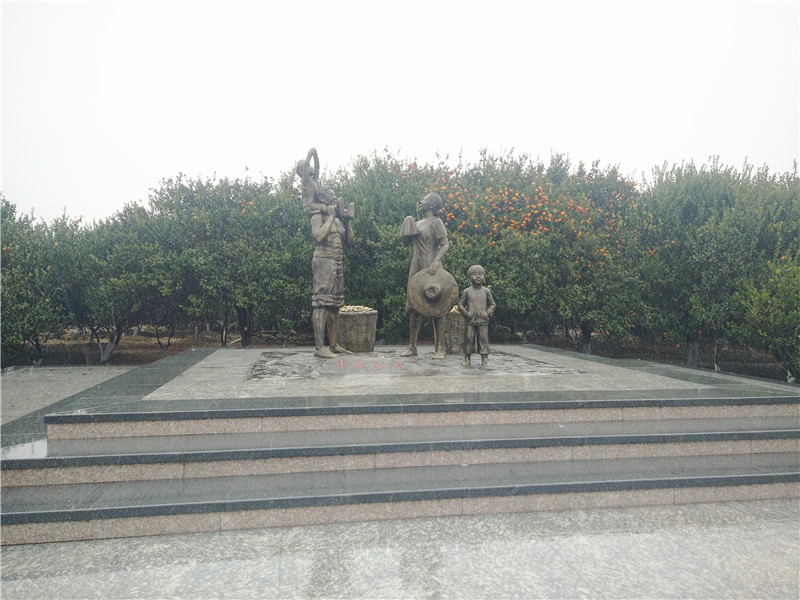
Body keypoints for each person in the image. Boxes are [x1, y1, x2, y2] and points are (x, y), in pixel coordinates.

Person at [400, 192, 450, 359]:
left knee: (438, 307)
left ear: (432, 205)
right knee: (413, 307)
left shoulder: (437, 222)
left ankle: (440, 348)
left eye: (424, 200)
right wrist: (407, 228)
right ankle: (412, 346)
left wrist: (436, 261)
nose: (421, 202)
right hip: (416, 267)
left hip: (431, 268)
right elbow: (406, 243)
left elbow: (445, 244)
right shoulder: (416, 223)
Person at [310, 186, 354, 358]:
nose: (335, 199)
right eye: (332, 196)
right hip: (323, 260)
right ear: (322, 199)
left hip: (337, 261)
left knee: (335, 304)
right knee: (321, 303)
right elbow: (319, 237)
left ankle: (334, 345)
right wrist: (330, 216)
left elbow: (349, 243)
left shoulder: (337, 222)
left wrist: (347, 222)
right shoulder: (317, 217)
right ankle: (319, 347)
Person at [458, 264, 496, 366]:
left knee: (483, 339)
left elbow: (492, 304)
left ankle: (484, 359)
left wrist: (487, 313)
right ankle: (467, 358)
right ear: (469, 277)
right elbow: (460, 304)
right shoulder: (467, 291)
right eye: (474, 274)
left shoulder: (486, 291)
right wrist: (466, 313)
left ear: (484, 277)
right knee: (468, 339)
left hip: (483, 321)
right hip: (470, 321)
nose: (478, 276)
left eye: (481, 274)